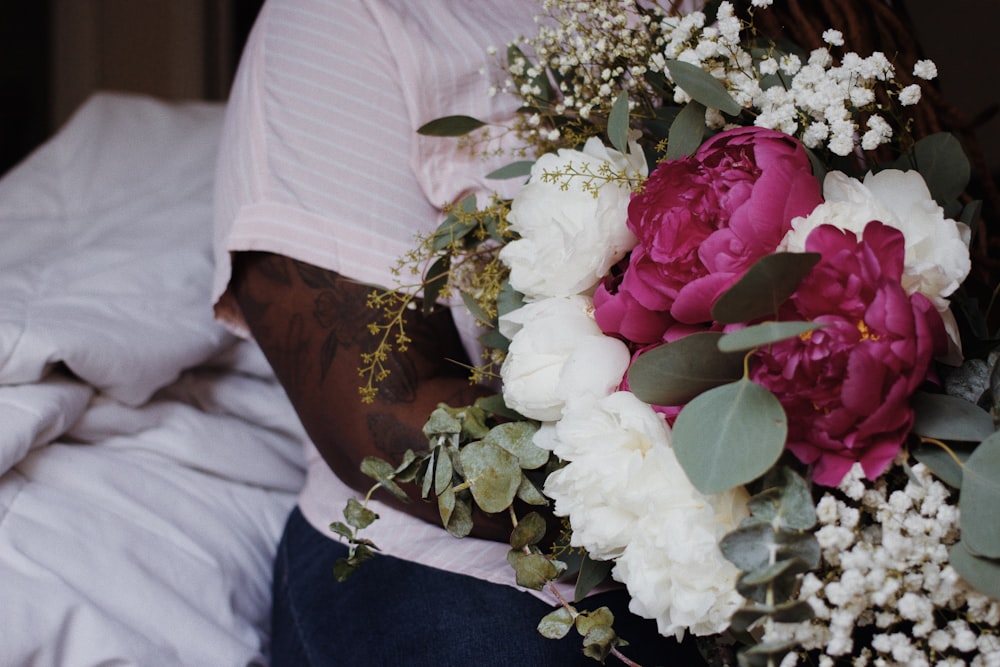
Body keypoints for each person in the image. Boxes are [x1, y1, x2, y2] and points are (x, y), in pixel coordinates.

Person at [211, 0, 708, 665]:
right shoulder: (340, 20)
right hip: (456, 557)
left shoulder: (742, 19)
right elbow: (381, 413)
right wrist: (715, 491)